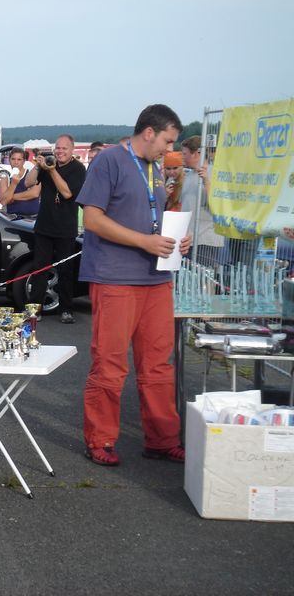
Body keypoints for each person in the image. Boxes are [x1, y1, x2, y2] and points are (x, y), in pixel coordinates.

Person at [77, 104, 190, 467]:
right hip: (115, 278)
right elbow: (92, 220)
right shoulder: (108, 161)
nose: (170, 150)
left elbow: (153, 218)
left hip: (156, 278)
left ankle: (162, 439)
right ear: (149, 132)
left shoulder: (155, 167)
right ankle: (100, 439)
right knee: (110, 363)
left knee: (158, 364)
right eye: (167, 141)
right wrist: (144, 241)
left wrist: (176, 240)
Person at [25, 135, 87, 323]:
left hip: (65, 228)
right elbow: (28, 183)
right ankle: (35, 309)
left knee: (65, 270)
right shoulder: (48, 164)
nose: (60, 152)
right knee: (39, 269)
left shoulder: (78, 169)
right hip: (44, 226)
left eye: (64, 148)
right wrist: (38, 166)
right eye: (58, 148)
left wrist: (52, 171)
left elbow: (67, 193)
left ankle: (66, 309)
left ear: (72, 150)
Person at [180, 135, 224, 266]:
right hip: (189, 240)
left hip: (206, 240)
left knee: (204, 277)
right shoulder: (188, 176)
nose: (182, 157)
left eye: (185, 154)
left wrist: (206, 181)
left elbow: (218, 206)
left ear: (196, 153)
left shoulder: (215, 173)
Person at [0, 147, 40, 217]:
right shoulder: (6, 178)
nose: (16, 162)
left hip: (32, 217)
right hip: (13, 218)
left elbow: (34, 193)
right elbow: (3, 201)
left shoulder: (31, 174)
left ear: (24, 161)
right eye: (13, 159)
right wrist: (13, 184)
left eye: (19, 159)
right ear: (9, 160)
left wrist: (11, 197)